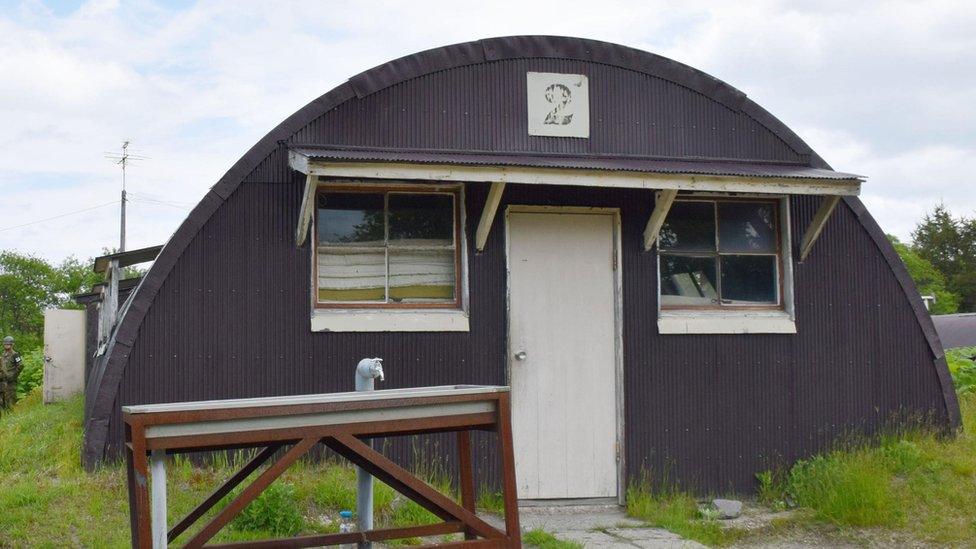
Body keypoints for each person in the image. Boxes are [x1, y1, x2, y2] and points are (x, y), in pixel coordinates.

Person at [1, 336, 23, 411]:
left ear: (12, 345)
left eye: (8, 344)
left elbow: (20, 365)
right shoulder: (3, 354)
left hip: (11, 381)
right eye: (5, 344)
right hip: (3, 380)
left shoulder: (15, 354)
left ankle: (12, 415)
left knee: (11, 399)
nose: (6, 345)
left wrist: (13, 375)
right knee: (3, 399)